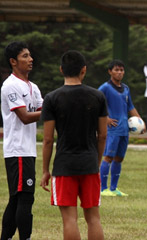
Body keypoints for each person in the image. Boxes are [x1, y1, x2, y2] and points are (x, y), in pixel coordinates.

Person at [40, 50, 107, 240]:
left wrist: (45, 169)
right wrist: (97, 160)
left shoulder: (52, 98)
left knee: (69, 219)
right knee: (93, 218)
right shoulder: (98, 96)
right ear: (83, 70)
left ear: (61, 69)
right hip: (89, 163)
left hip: (64, 165)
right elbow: (102, 135)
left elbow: (48, 139)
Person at [1, 41, 42, 240]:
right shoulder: (10, 86)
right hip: (17, 150)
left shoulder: (33, 86)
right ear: (13, 61)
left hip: (28, 150)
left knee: (18, 199)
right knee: (25, 198)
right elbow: (25, 117)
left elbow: (43, 111)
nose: (30, 59)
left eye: (30, 55)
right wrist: (51, 109)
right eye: (25, 56)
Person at [99, 59, 145, 197]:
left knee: (119, 158)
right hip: (113, 130)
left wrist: (140, 121)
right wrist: (105, 118)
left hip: (125, 129)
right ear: (110, 71)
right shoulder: (105, 88)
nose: (119, 72)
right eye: (116, 70)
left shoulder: (125, 88)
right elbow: (96, 102)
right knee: (108, 157)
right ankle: (103, 189)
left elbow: (130, 106)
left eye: (121, 70)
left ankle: (114, 188)